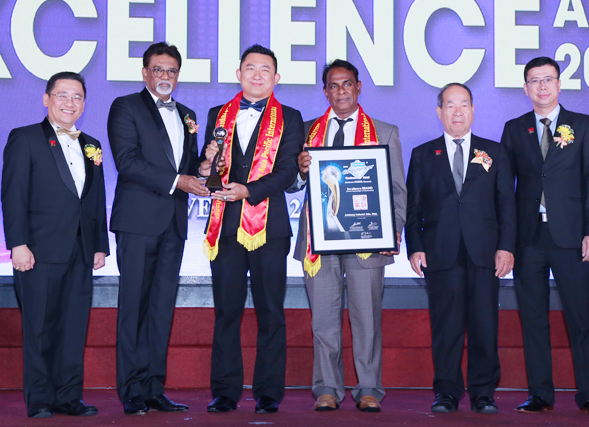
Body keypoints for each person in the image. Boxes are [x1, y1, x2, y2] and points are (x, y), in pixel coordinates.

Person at [287, 59, 406, 413]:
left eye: (347, 84)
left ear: (358, 87)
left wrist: (392, 230)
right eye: (333, 86)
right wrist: (300, 172)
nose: (341, 91)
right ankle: (327, 388)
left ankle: (369, 388)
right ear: (325, 91)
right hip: (319, 242)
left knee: (367, 319)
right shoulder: (307, 131)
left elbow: (397, 190)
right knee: (323, 319)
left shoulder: (384, 132)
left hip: (368, 241)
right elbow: (290, 185)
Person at [501, 56, 589, 415]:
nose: (542, 86)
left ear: (559, 84)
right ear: (525, 88)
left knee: (579, 317)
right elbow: (505, 189)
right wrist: (505, 242)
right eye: (534, 80)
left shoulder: (583, 125)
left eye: (548, 79)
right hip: (529, 239)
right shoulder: (515, 129)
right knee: (533, 318)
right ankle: (540, 394)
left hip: (573, 238)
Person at [199, 44, 303, 414]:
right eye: (250, 68)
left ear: (276, 78)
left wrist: (249, 191)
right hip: (225, 227)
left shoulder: (290, 117)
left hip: (270, 228)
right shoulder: (217, 114)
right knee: (226, 312)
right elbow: (209, 170)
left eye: (265, 69)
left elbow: (287, 172)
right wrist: (206, 165)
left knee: (270, 311)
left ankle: (269, 392)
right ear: (239, 74)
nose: (257, 75)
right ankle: (225, 392)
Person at [107, 42, 208, 415]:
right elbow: (127, 161)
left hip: (174, 224)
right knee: (133, 306)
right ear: (145, 73)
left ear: (178, 75)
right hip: (137, 222)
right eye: (158, 69)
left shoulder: (187, 114)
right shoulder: (126, 107)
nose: (165, 76)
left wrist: (205, 167)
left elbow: (190, 167)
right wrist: (180, 181)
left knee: (162, 307)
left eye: (172, 71)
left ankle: (153, 388)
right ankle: (131, 390)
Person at [1, 72, 109, 418]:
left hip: (80, 249)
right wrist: (18, 244)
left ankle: (68, 397)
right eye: (62, 95)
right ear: (46, 99)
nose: (69, 102)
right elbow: (13, 196)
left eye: (77, 97)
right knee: (39, 327)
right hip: (38, 249)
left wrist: (99, 245)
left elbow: (95, 198)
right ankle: (39, 399)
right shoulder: (25, 138)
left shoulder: (91, 144)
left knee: (73, 326)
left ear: (84, 104)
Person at [405, 83, 516, 414]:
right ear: (439, 111)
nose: (457, 112)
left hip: (484, 252)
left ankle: (483, 392)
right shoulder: (423, 154)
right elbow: (413, 207)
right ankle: (447, 391)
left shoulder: (494, 152)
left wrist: (506, 247)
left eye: (464, 105)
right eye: (450, 105)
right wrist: (415, 247)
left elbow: (506, 205)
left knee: (484, 324)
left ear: (473, 110)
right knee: (446, 326)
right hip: (440, 252)